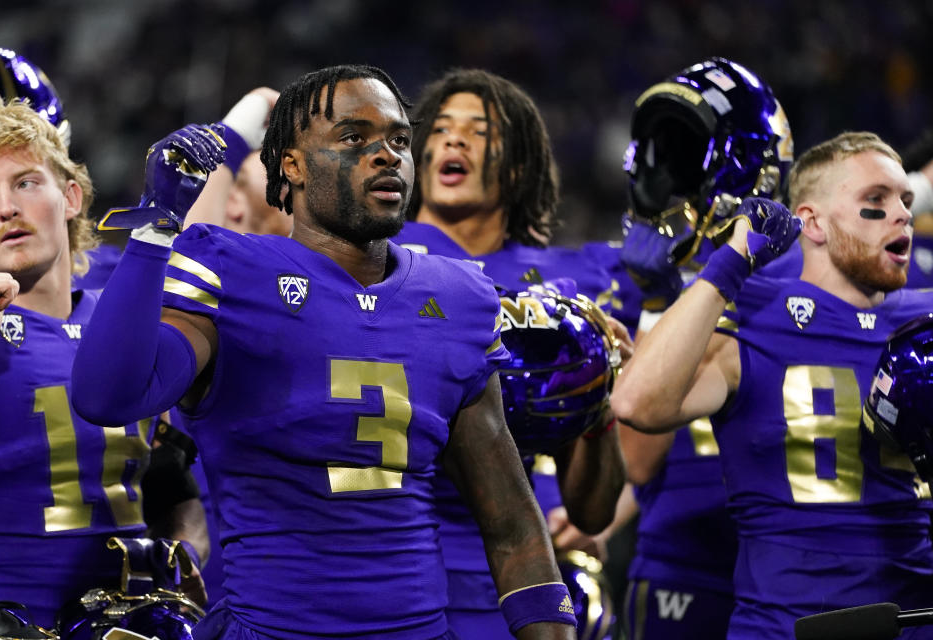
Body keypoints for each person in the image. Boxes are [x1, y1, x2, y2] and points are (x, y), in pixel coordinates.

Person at [70, 64, 578, 640]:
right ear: (293, 165)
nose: (386, 154)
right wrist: (156, 230)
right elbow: (107, 395)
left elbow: (511, 523)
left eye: (399, 140)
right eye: (354, 138)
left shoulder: (458, 297)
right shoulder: (229, 269)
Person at [610, 131, 933, 639]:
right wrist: (729, 264)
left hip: (916, 619)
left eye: (905, 201)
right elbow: (634, 403)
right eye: (877, 199)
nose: (901, 215)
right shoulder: (752, 312)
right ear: (812, 222)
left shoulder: (924, 319)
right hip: (788, 626)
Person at [393, 68, 633, 639]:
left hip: (505, 575)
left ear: (519, 165)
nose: (453, 139)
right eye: (442, 129)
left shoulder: (571, 287)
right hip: (374, 559)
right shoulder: (368, 257)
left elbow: (593, 512)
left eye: (478, 131)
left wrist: (598, 397)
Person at [0, 100, 208, 629]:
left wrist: (183, 556)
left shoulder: (121, 320)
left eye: (26, 182)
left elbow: (173, 485)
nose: (6, 208)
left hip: (128, 623)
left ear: (71, 197)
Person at [611, 56, 794, 640]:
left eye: (683, 156)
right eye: (661, 157)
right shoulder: (632, 284)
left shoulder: (811, 282)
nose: (665, 178)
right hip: (679, 563)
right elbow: (634, 461)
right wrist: (657, 304)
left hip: (790, 572)